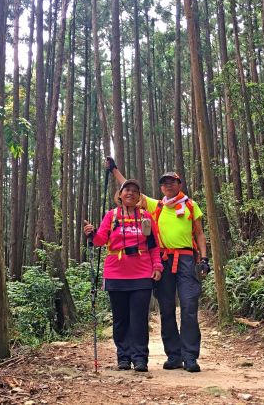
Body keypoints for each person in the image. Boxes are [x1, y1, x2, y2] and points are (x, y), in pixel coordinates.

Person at [105, 157, 210, 373]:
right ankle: (174, 356)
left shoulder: (191, 205)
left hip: (187, 260)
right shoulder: (157, 206)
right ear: (161, 187)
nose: (168, 185)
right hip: (163, 260)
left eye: (172, 181)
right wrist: (114, 169)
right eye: (164, 183)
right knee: (167, 309)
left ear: (179, 184)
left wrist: (205, 258)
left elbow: (199, 233)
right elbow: (129, 191)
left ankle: (190, 356)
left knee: (189, 307)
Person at [83, 179, 162, 372]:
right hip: (116, 273)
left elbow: (153, 245)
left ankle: (140, 358)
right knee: (120, 319)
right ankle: (123, 357)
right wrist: (91, 233)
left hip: (142, 273)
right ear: (120, 194)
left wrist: (158, 266)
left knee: (139, 318)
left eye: (135, 191)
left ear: (139, 197)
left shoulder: (145, 216)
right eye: (127, 190)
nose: (131, 193)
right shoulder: (111, 216)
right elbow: (101, 240)